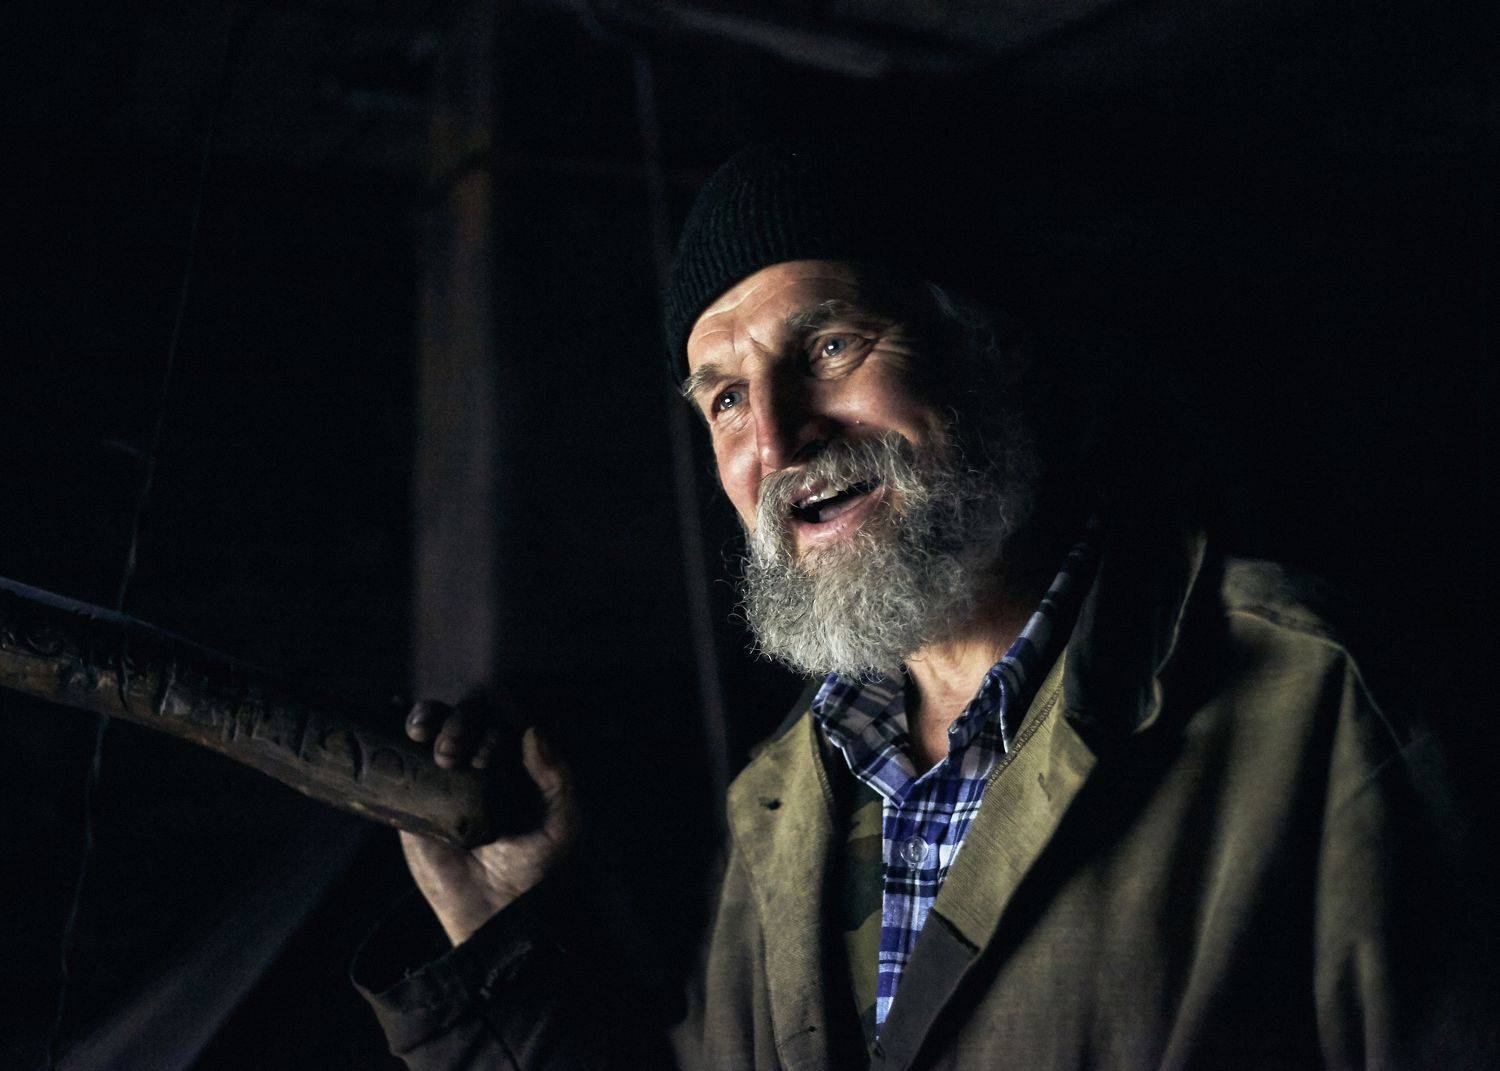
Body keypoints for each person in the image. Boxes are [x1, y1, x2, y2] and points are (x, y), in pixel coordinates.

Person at [350, 145, 1487, 1069]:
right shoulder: (781, 803)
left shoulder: (1321, 698)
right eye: (727, 399)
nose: (780, 439)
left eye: (832, 345)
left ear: (993, 349)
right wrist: (504, 937)